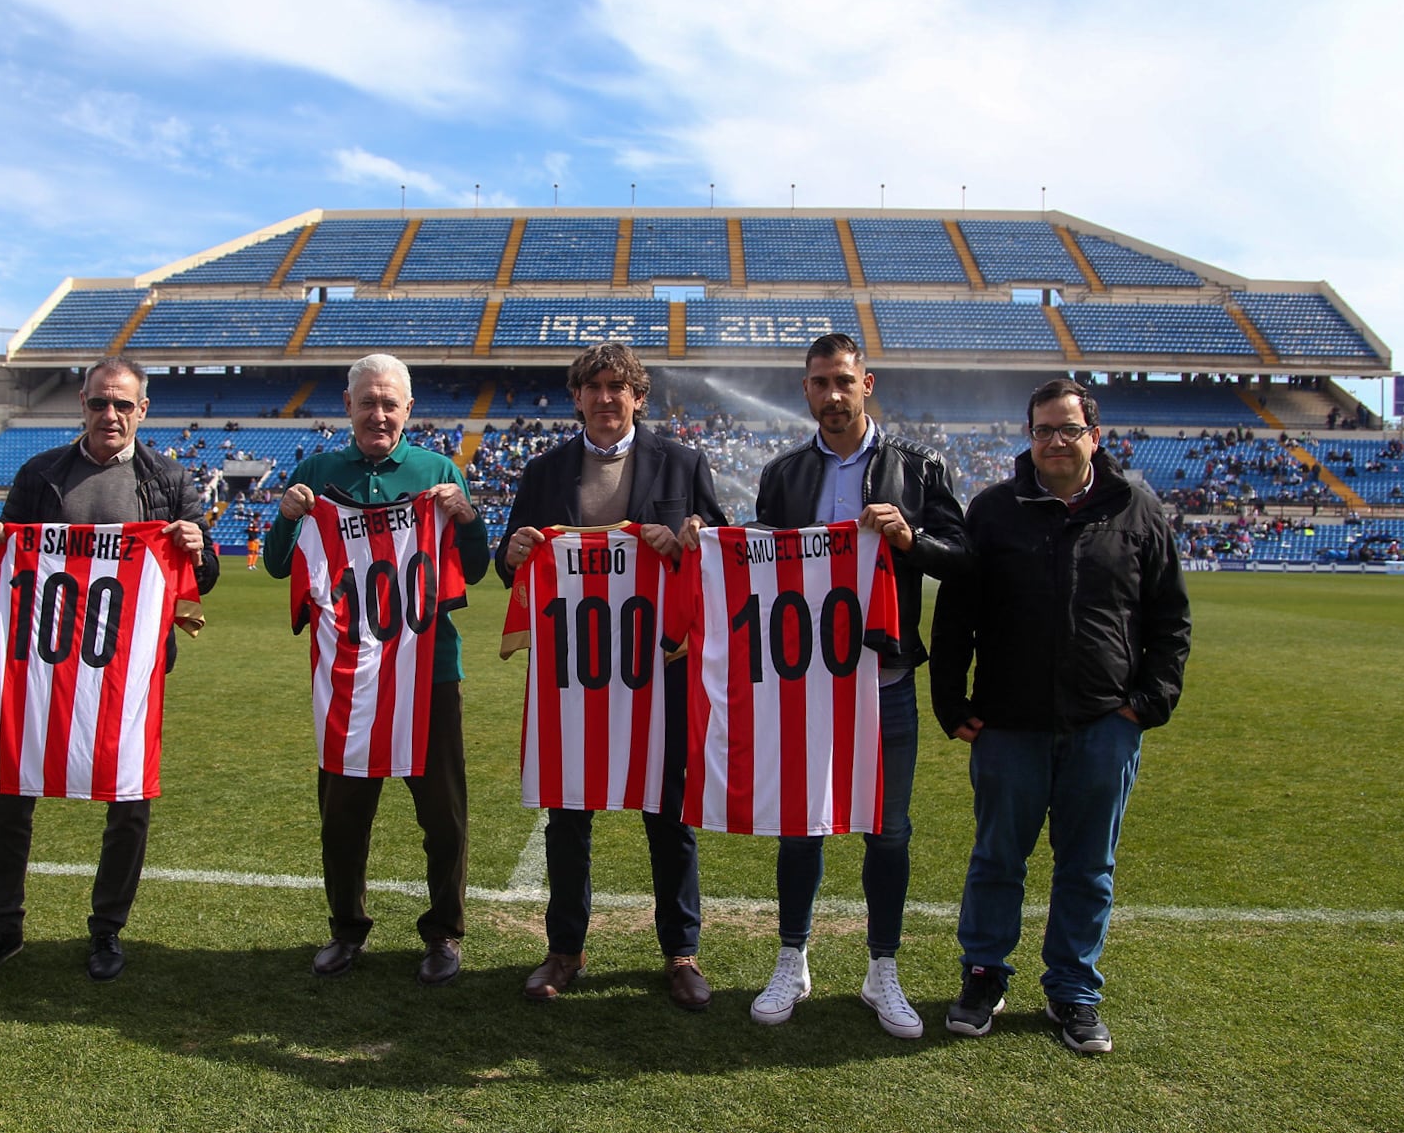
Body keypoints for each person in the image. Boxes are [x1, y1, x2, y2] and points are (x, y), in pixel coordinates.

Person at [929, 378, 1190, 1054]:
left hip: (1104, 723)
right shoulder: (993, 510)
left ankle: (1074, 989)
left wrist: (1148, 702)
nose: (1054, 441)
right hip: (1009, 724)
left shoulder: (1136, 507)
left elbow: (1169, 616)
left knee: (1087, 866)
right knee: (996, 859)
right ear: (1030, 434)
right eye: (1043, 429)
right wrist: (950, 700)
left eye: (1067, 429)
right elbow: (958, 612)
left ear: (1093, 436)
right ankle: (984, 974)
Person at [0, 355, 218, 985]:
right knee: (10, 794)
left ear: (142, 411)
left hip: (129, 671)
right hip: (37, 665)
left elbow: (198, 580)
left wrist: (198, 548)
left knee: (129, 799)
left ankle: (106, 930)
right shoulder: (41, 473)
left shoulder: (167, 480)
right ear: (83, 403)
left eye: (123, 404)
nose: (111, 415)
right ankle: (2, 926)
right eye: (100, 402)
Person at [747, 333, 971, 1035]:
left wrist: (911, 538)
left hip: (887, 677)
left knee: (889, 831)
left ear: (867, 383)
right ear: (806, 390)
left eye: (844, 380)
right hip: (806, 678)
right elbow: (762, 567)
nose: (833, 394)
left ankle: (883, 968)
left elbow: (965, 559)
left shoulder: (918, 466)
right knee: (799, 829)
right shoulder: (784, 474)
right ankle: (793, 956)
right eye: (820, 382)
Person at [496, 341, 728, 1010]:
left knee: (668, 813)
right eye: (593, 386)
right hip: (572, 672)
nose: (604, 397)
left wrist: (687, 535)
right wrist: (510, 554)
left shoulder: (681, 460)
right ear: (577, 397)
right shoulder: (544, 469)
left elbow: (715, 539)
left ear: (638, 397)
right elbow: (511, 558)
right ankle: (564, 949)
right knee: (567, 815)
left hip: (659, 667)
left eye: (617, 386)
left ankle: (681, 952)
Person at [263, 354, 487, 986]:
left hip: (429, 668)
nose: (379, 414)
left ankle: (444, 932)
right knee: (343, 813)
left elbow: (470, 570)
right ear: (348, 405)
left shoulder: (437, 471)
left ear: (408, 411)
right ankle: (346, 928)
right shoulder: (316, 472)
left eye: (390, 403)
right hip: (347, 672)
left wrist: (467, 516)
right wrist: (287, 514)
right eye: (368, 402)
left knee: (443, 812)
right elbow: (282, 566)